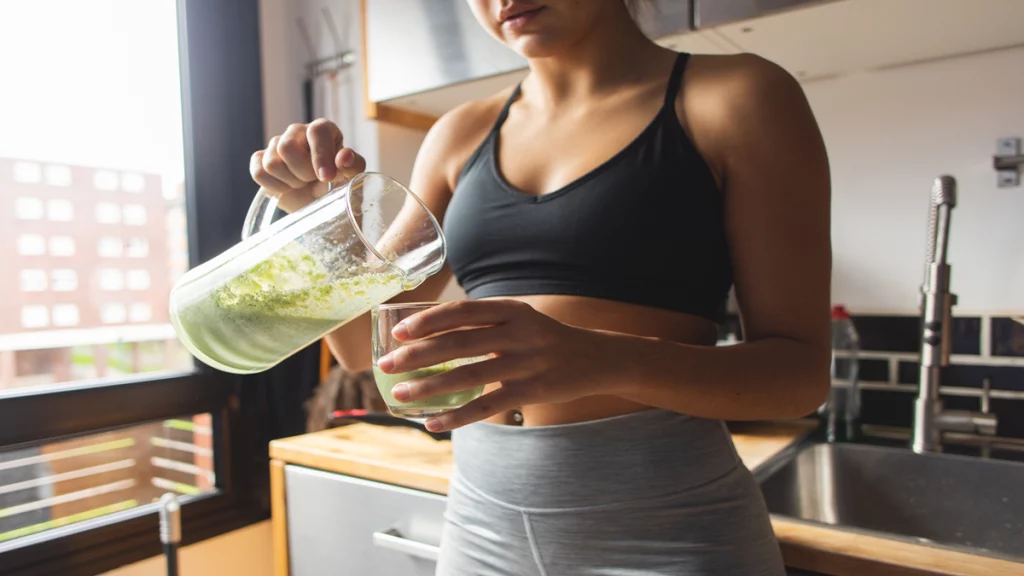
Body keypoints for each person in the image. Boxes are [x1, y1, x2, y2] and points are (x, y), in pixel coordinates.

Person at [252, 0, 831, 573]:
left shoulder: (737, 96)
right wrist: (315, 219)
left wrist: (605, 359)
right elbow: (363, 349)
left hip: (668, 534)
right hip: (481, 527)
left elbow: (799, 380)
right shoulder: (460, 134)